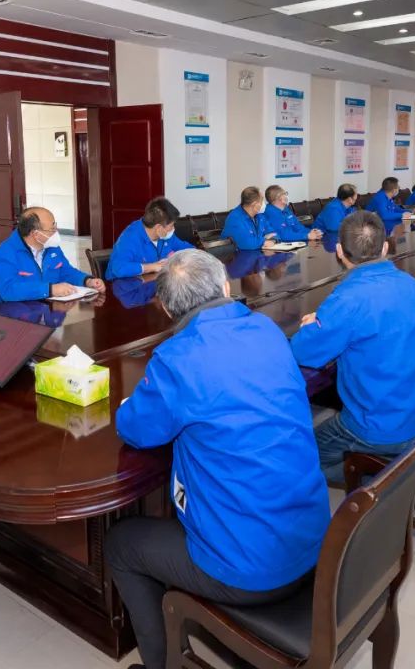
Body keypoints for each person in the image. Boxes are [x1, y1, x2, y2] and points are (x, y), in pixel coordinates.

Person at [107, 250, 330, 669]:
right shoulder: (265, 329)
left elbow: (135, 429)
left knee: (121, 543)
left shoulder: (179, 358)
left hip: (251, 567)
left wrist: (128, 403)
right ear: (226, 287)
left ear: (167, 309)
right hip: (312, 537)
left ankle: (160, 664)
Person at [291, 211, 415, 484]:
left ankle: (377, 482)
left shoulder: (348, 298)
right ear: (385, 247)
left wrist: (312, 325)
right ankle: (397, 474)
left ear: (338, 251)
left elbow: (303, 352)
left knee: (298, 457)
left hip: (378, 425)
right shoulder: (409, 283)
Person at [0, 207, 105, 304]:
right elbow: (9, 290)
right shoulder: (5, 253)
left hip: (46, 310)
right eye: (52, 229)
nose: (56, 232)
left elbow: (65, 271)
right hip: (11, 318)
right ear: (35, 234)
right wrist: (50, 290)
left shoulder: (51, 247)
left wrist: (87, 281)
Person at [106, 197, 194, 280]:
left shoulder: (166, 236)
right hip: (122, 289)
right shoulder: (130, 238)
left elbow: (188, 249)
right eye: (171, 225)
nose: (173, 228)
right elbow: (118, 268)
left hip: (153, 284)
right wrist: (152, 267)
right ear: (159, 228)